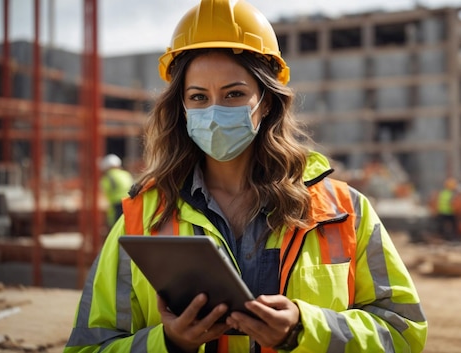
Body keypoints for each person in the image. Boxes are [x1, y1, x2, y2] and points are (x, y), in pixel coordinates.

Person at [65, 1, 427, 352]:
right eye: (199, 97)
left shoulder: (344, 211)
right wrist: (170, 344)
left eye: (234, 94)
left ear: (265, 101)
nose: (214, 111)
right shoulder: (141, 217)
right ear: (183, 106)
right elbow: (88, 348)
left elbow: (403, 333)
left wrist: (305, 329)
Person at [99, 154, 134, 228]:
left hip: (116, 206)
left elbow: (103, 193)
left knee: (116, 229)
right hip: (130, 204)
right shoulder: (126, 174)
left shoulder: (108, 177)